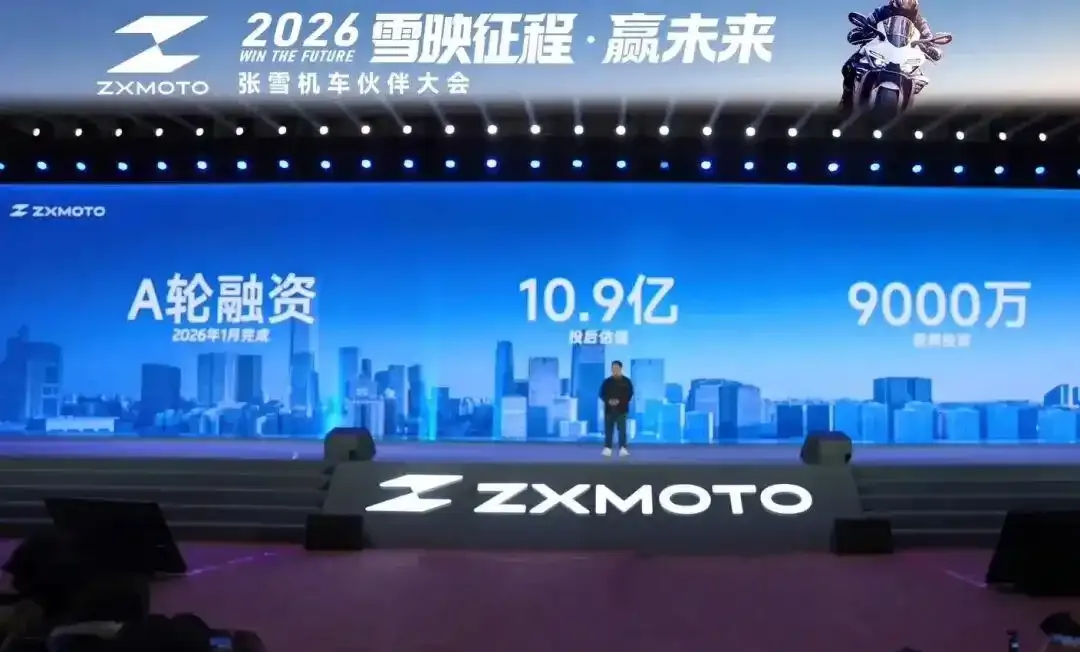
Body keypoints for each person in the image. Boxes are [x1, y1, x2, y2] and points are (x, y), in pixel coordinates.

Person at [840, 0, 943, 109]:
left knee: (917, 76)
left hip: (904, 56)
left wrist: (931, 46)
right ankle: (846, 101)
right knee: (849, 67)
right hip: (879, 51)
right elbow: (869, 22)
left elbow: (927, 36)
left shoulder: (919, 20)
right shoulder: (882, 11)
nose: (905, 2)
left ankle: (905, 107)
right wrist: (863, 31)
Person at [599, 361, 633, 457]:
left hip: (622, 409)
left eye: (616, 368)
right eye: (613, 368)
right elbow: (601, 393)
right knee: (608, 430)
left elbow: (630, 394)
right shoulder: (607, 382)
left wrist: (619, 401)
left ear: (621, 368)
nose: (615, 370)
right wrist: (608, 400)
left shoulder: (626, 381)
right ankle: (607, 448)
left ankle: (623, 448)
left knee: (622, 430)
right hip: (609, 409)